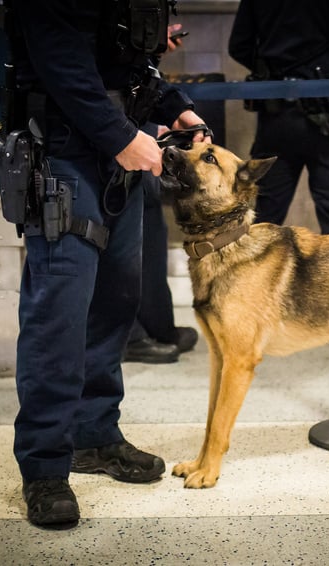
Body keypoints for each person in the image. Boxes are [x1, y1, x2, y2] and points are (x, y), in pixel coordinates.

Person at [3, 2, 210, 528]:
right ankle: (45, 467)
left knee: (116, 305)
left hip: (122, 155)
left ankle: (95, 436)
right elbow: (63, 66)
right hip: (67, 156)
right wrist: (120, 138)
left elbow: (129, 63)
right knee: (60, 318)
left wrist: (175, 104)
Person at [228, 0, 329, 235]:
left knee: (265, 220)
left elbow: (239, 45)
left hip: (276, 116)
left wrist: (271, 67)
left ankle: (255, 272)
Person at [125, 24, 198, 365]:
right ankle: (130, 335)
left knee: (150, 224)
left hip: (134, 130)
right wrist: (147, 130)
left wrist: (177, 111)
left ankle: (158, 324)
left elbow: (137, 70)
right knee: (118, 245)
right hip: (108, 139)